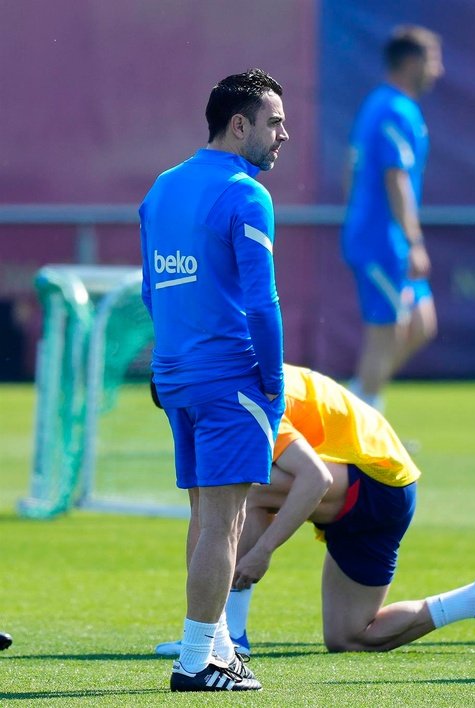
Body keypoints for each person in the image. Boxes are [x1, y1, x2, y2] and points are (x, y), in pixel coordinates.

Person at [153, 363, 475, 656]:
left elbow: (316, 480)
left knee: (243, 487)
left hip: (377, 482)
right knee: (351, 637)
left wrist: (263, 552)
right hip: (384, 490)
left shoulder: (246, 395)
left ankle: (228, 635)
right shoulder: (234, 378)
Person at [139, 68, 289, 692]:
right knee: (225, 522)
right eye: (274, 122)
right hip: (230, 380)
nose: (284, 135)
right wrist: (274, 380)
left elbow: (153, 291)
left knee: (205, 518)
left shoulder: (162, 187)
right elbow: (263, 303)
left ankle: (218, 645)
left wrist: (166, 362)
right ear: (239, 124)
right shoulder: (245, 194)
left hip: (176, 377)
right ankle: (197, 660)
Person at [341, 25, 444, 412]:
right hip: (382, 240)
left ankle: (356, 401)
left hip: (383, 237)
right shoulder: (394, 109)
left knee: (421, 325)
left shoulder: (383, 104)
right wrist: (413, 241)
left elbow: (349, 170)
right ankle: (358, 427)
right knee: (385, 333)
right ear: (413, 61)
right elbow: (395, 176)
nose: (438, 70)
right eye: (433, 60)